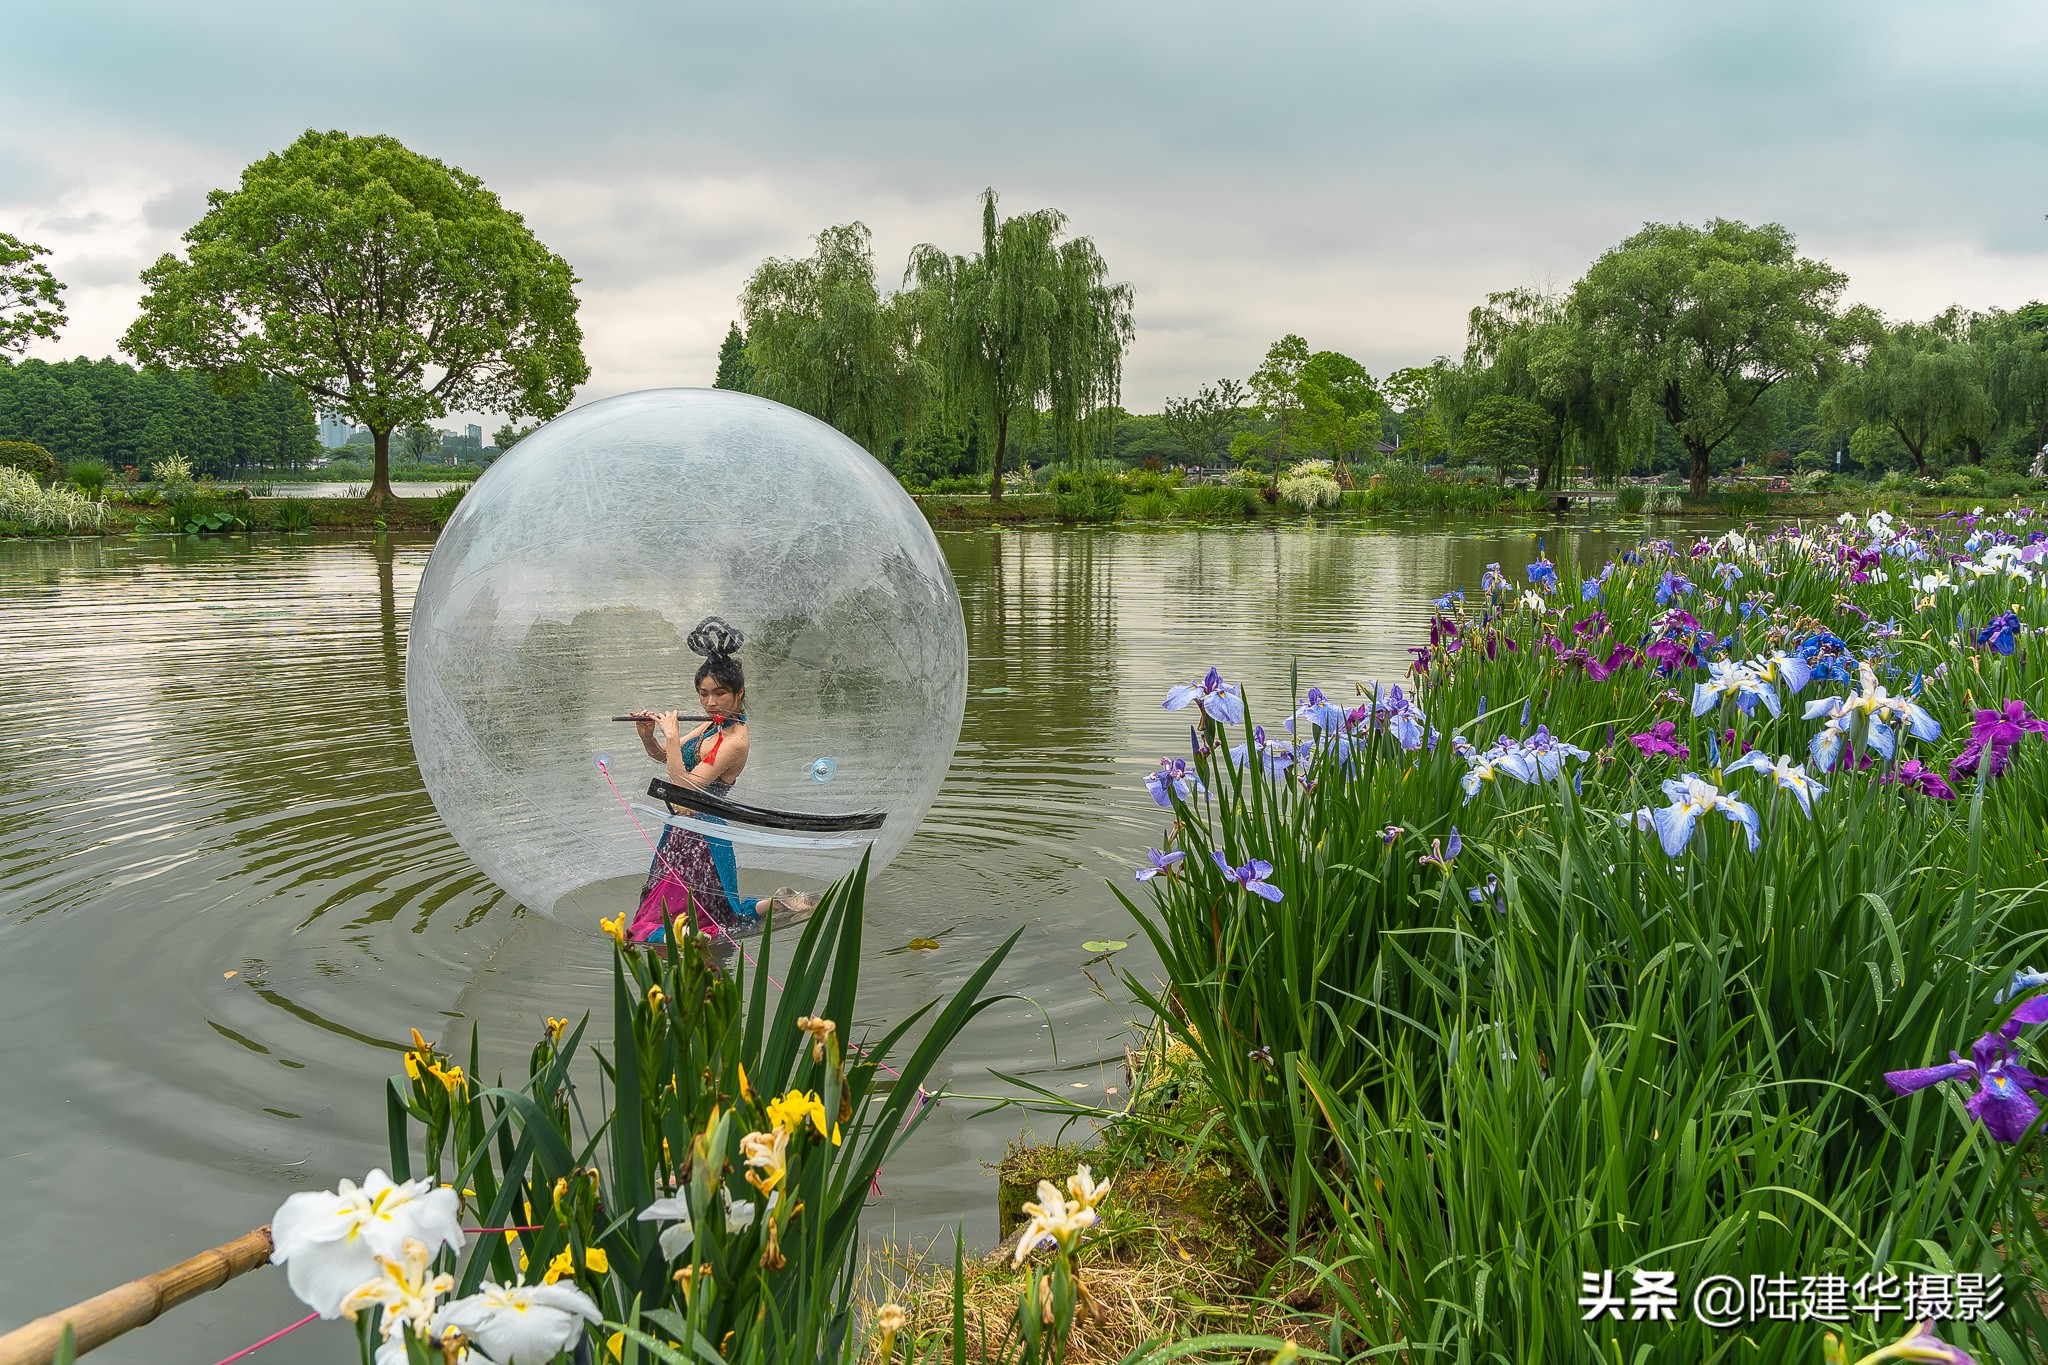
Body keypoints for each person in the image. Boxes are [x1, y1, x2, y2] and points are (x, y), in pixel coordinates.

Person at [627, 616, 817, 946]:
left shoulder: (734, 741)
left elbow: (684, 785)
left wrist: (671, 736)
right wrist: (649, 737)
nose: (710, 703)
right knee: (674, 914)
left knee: (701, 918)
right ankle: (784, 902)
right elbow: (667, 759)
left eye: (719, 694)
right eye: (703, 694)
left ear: (739, 692)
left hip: (707, 837)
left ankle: (783, 905)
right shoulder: (711, 726)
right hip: (679, 830)